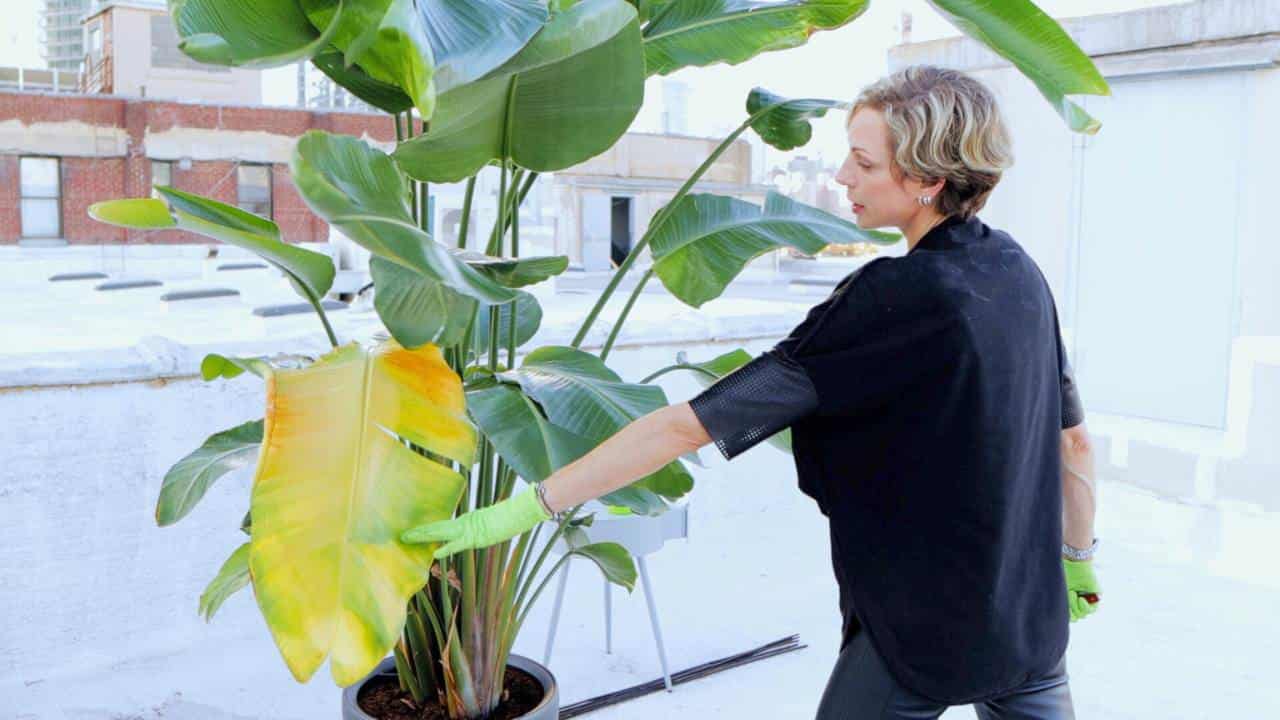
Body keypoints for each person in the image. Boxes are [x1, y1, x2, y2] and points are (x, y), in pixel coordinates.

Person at [402, 65, 1102, 719]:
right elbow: (1073, 439)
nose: (841, 177)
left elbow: (688, 427)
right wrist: (1077, 562)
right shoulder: (1018, 271)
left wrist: (525, 508)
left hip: (920, 633)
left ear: (925, 178)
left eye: (863, 163)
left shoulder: (895, 296)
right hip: (1031, 623)